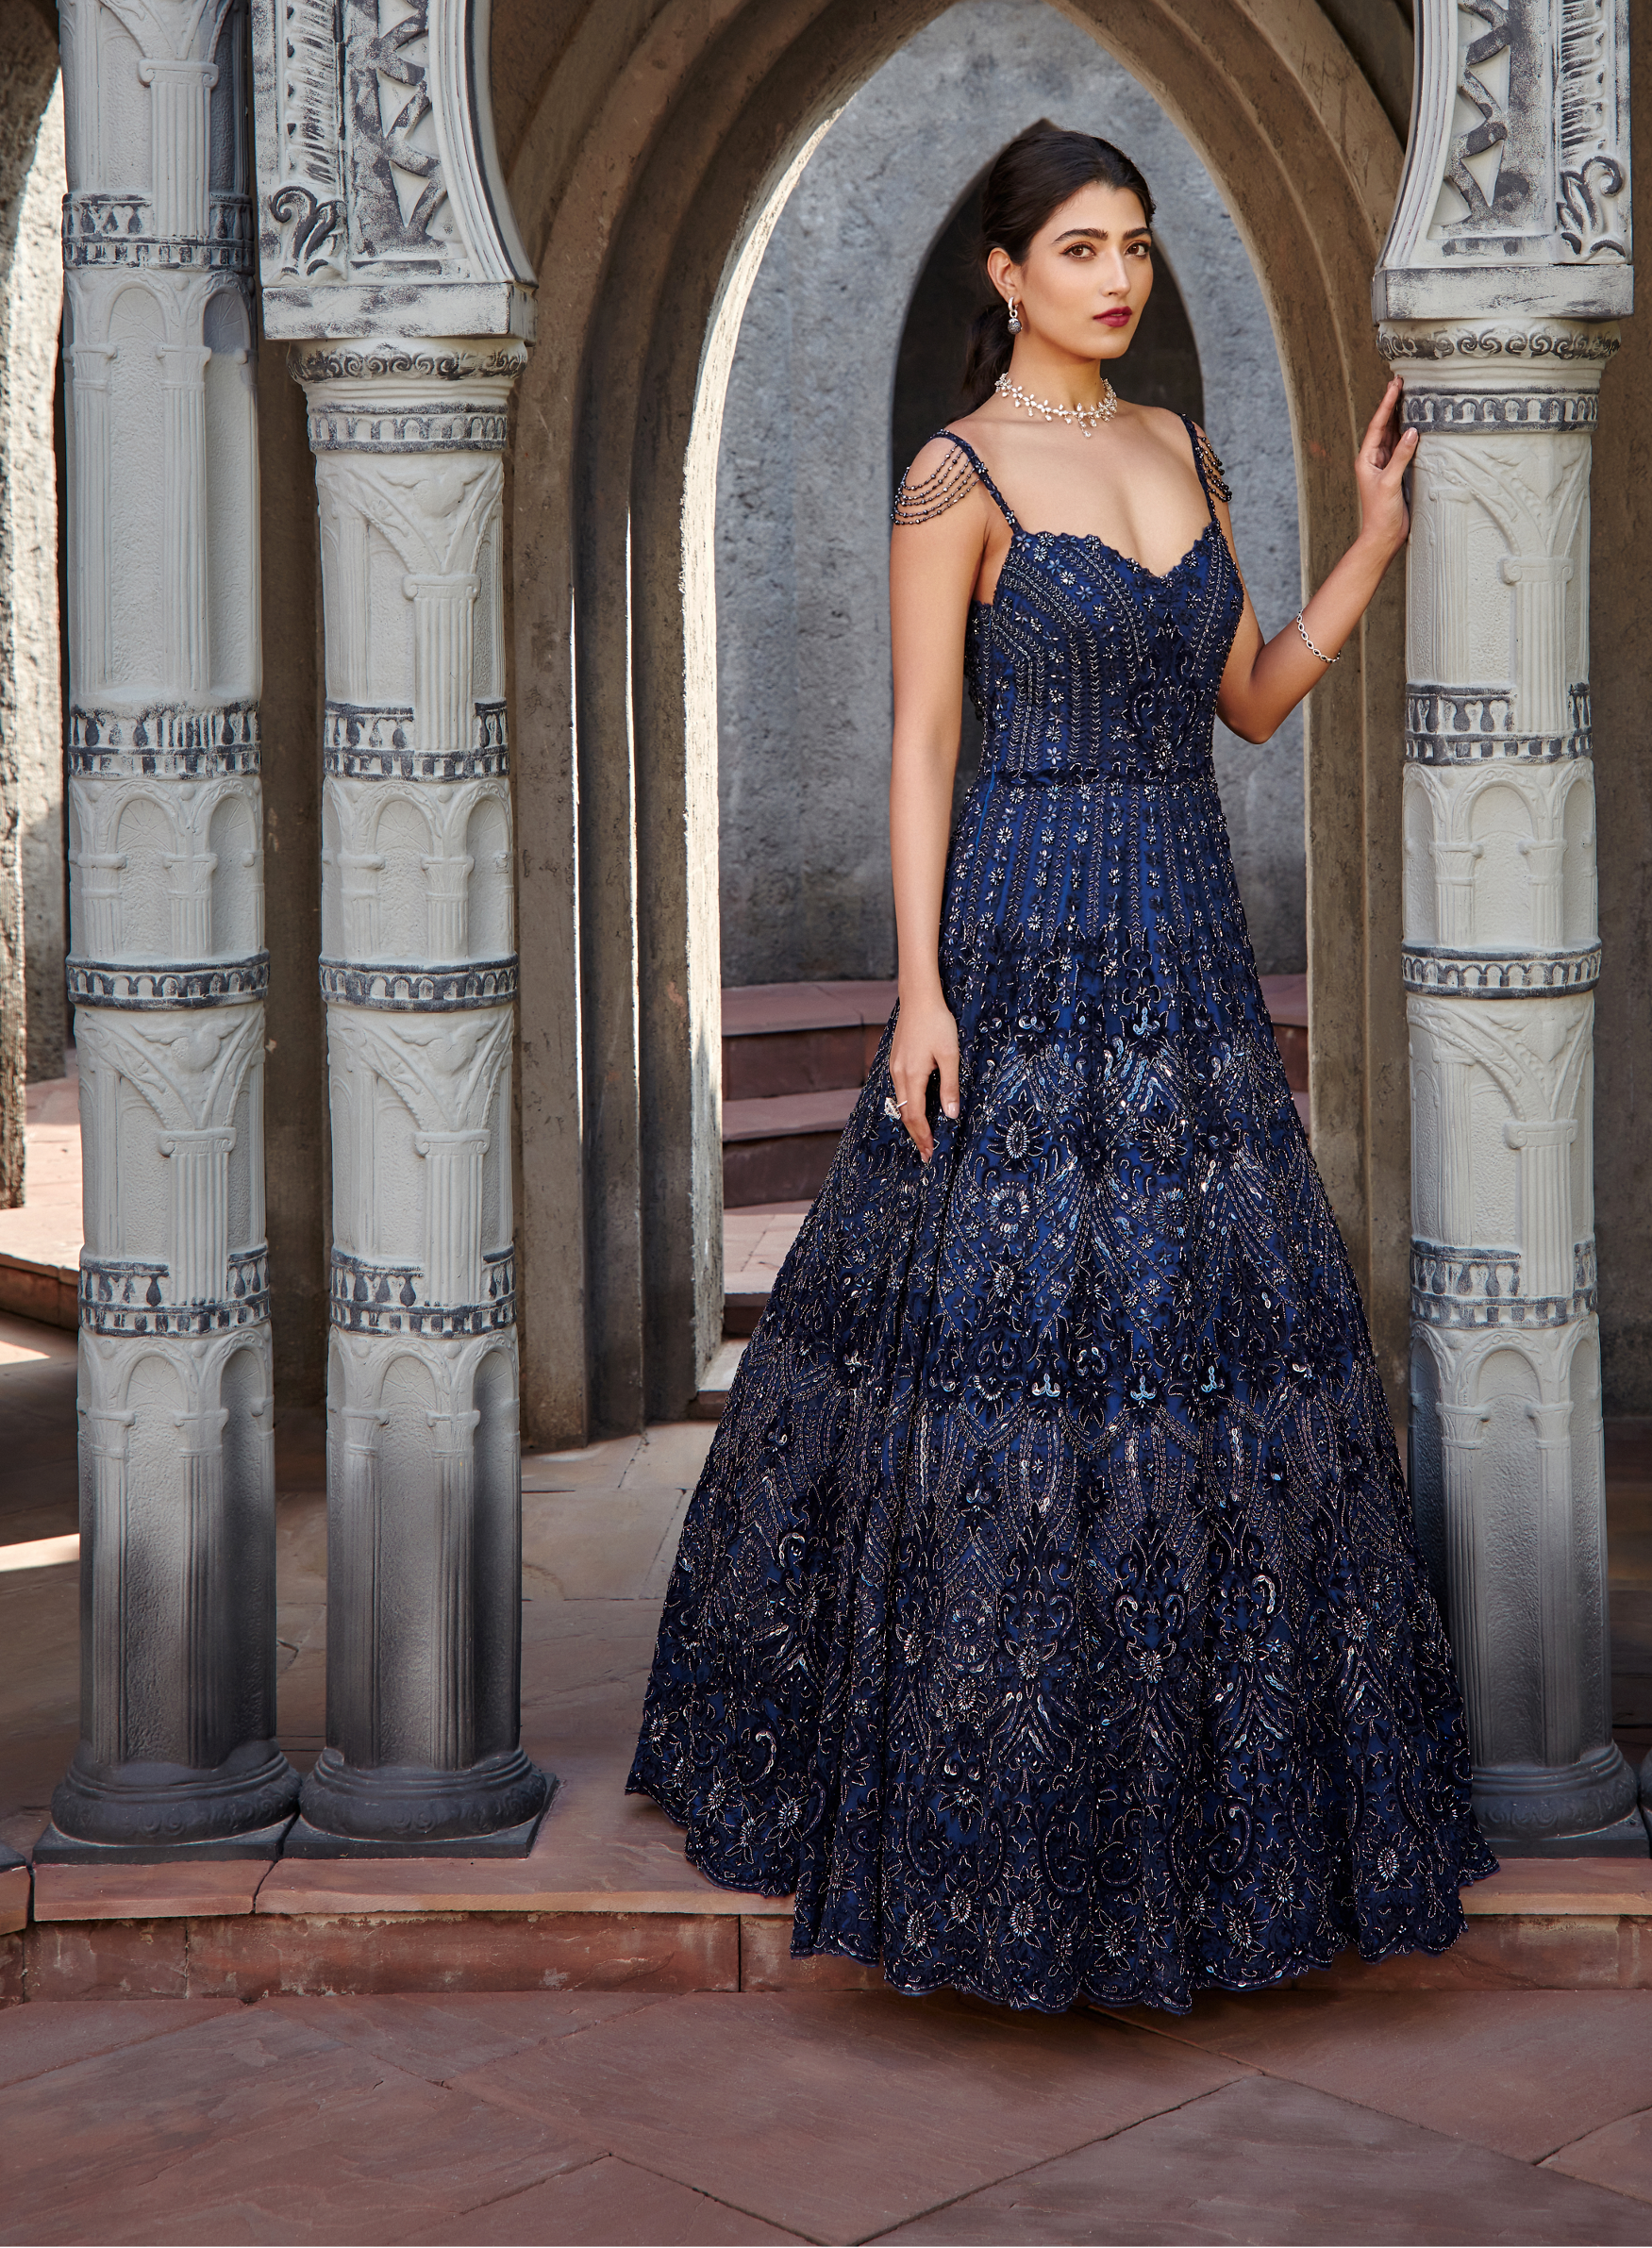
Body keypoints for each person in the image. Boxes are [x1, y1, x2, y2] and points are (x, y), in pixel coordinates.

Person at [629, 119, 1496, 2010]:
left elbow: (1249, 698)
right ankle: (986, 1820)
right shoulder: (952, 477)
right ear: (1002, 274)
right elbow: (921, 744)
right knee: (1003, 1359)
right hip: (1017, 933)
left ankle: (1204, 1813)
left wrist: (1370, 544)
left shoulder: (1180, 446)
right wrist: (918, 989)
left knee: (1197, 1356)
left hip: (1179, 934)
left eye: (1136, 244)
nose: (1118, 274)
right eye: (1081, 246)